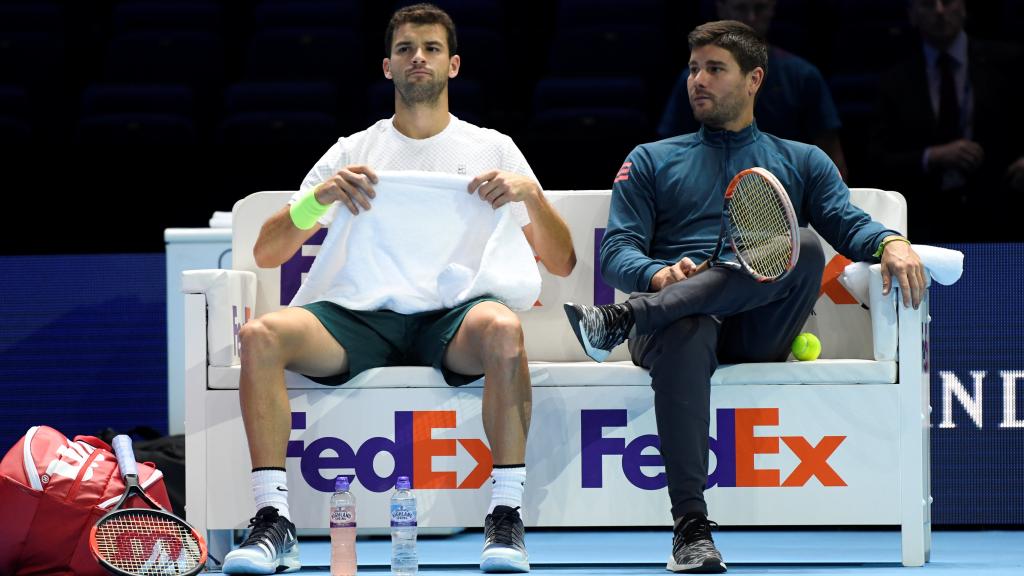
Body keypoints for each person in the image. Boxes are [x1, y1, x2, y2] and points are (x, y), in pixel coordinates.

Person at [222, 4, 576, 574]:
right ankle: (272, 520)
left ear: (453, 65)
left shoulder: (493, 148)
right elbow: (267, 251)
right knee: (262, 335)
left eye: (432, 48)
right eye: (406, 49)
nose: (419, 58)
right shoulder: (352, 150)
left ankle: (506, 515)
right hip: (358, 317)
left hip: (455, 317)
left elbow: (561, 261)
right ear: (387, 66)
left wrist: (529, 194)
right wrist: (321, 197)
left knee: (506, 329)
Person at [563, 20, 925, 574]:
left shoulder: (802, 160)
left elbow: (848, 224)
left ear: (754, 79)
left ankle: (621, 317)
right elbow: (617, 250)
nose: (697, 81)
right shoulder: (652, 159)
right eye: (692, 69)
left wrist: (892, 241)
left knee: (802, 244)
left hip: (758, 327)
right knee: (687, 323)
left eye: (714, 69)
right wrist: (659, 274)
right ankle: (691, 531)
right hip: (677, 324)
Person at [869, 0, 1024, 242]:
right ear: (912, 14)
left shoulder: (1011, 63)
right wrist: (932, 156)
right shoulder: (894, 80)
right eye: (929, 4)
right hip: (926, 219)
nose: (940, 11)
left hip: (1002, 211)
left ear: (964, 7)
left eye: (948, 1)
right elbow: (877, 159)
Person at [658, 0, 849, 180]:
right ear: (722, 8)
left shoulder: (803, 76)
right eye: (741, 8)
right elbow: (670, 154)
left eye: (760, 8)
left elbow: (833, 158)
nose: (750, 18)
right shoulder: (693, 82)